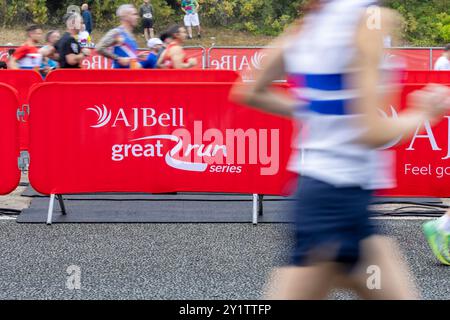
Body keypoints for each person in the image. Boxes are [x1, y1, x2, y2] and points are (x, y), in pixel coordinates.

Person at [231, 0, 450, 299]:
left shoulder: (309, 24)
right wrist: (424, 113)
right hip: (336, 201)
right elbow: (371, 132)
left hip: (329, 197)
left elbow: (250, 91)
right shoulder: (371, 18)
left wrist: (322, 112)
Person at [96, 4, 141, 69]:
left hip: (130, 76)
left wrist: (138, 57)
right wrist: (118, 58)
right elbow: (99, 48)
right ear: (126, 16)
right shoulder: (117, 32)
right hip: (118, 76)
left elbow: (127, 56)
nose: (137, 17)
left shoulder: (131, 35)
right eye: (134, 14)